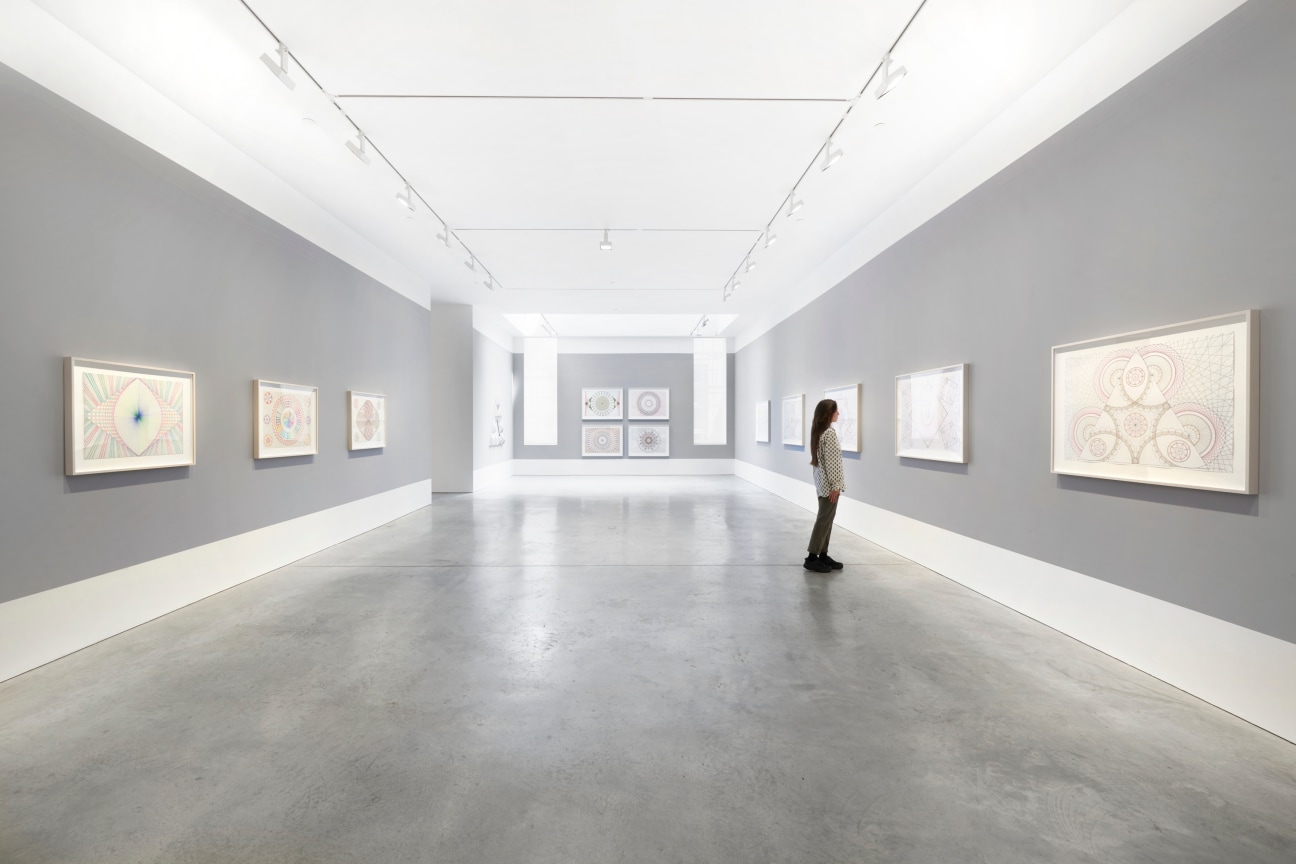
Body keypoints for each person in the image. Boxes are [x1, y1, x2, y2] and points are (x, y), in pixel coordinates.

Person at [805, 399, 845, 573]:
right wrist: (836, 485)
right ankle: (812, 557)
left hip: (822, 483)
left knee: (826, 519)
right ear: (829, 414)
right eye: (836, 411)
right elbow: (833, 462)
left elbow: (820, 463)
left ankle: (823, 554)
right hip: (829, 485)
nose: (838, 413)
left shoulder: (818, 432)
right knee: (824, 520)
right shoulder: (829, 433)